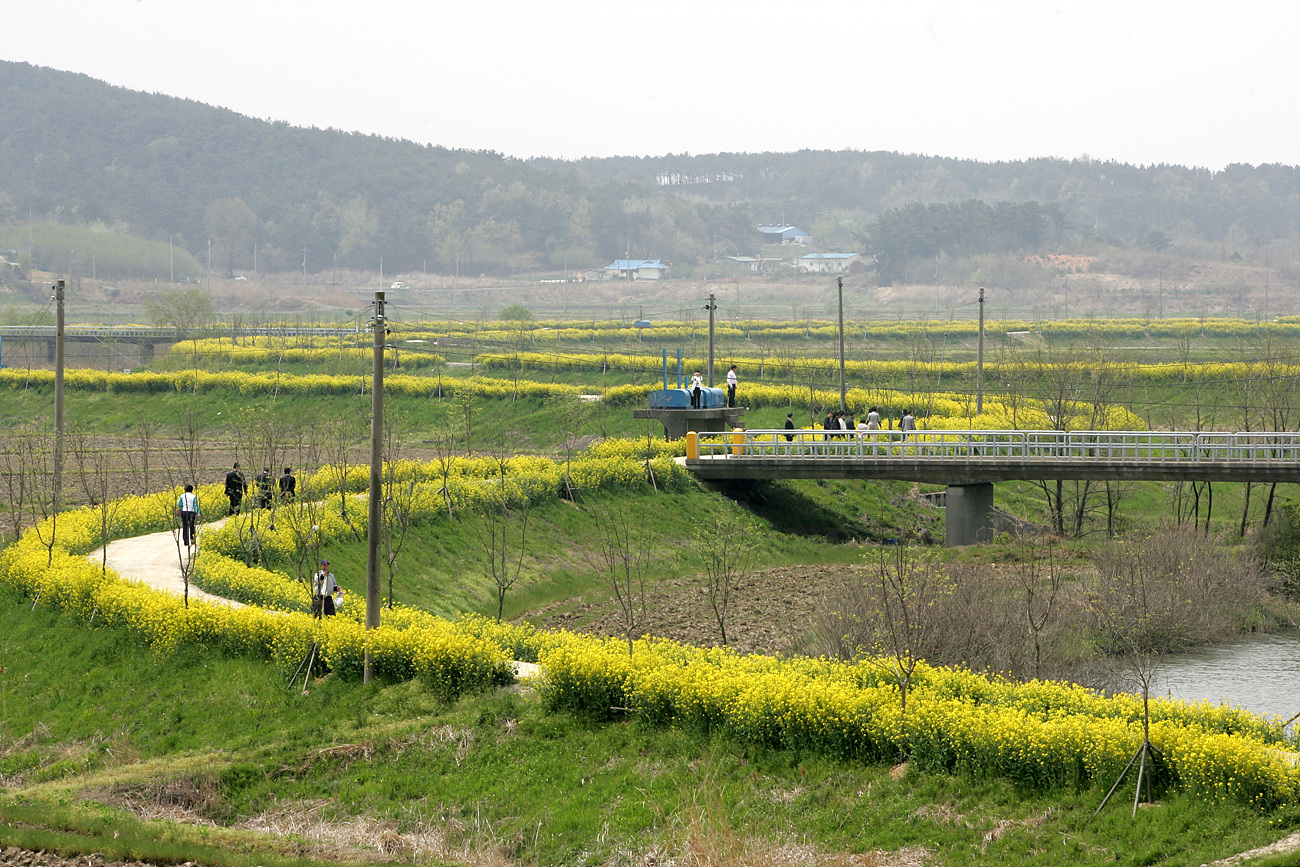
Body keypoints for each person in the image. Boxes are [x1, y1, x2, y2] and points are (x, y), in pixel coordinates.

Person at [176, 483, 200, 548]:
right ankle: (192, 540)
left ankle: (186, 541)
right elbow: (195, 505)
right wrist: (198, 512)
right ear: (192, 490)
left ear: (185, 490)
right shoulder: (193, 496)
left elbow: (179, 504)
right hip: (192, 512)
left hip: (184, 512)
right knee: (192, 526)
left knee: (185, 527)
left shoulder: (182, 496)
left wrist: (183, 505)